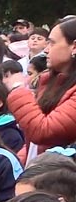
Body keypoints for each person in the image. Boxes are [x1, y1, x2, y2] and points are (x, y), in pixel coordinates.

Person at [9, 18, 76, 164]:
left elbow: (43, 132)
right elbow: (32, 145)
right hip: (37, 175)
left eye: (52, 43)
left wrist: (17, 90)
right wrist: (16, 164)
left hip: (61, 181)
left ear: (74, 47)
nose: (46, 50)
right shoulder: (48, 82)